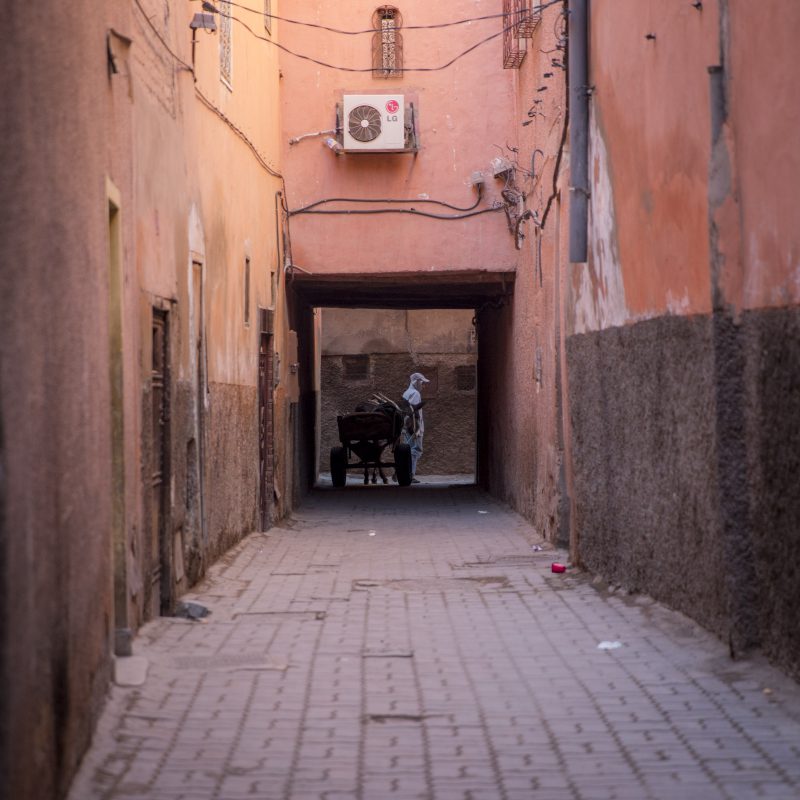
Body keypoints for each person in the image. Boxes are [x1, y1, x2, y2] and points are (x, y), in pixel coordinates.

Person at [402, 372, 429, 482]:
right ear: (417, 382)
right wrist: (416, 429)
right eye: (422, 383)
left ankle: (407, 473)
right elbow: (413, 412)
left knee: (409, 450)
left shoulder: (406, 393)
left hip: (407, 427)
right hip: (413, 428)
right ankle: (411, 474)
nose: (423, 386)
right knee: (415, 450)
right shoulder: (415, 394)